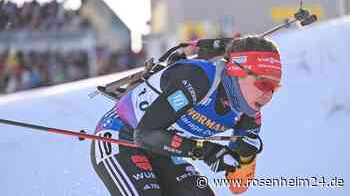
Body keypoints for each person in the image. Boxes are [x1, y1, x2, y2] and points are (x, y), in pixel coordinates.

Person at [90, 35, 282, 196]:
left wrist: (246, 157)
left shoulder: (249, 114)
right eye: (263, 84)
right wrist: (207, 152)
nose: (268, 94)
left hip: (164, 147)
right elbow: (145, 134)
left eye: (274, 87)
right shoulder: (198, 80)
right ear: (237, 71)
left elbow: (238, 186)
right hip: (122, 136)